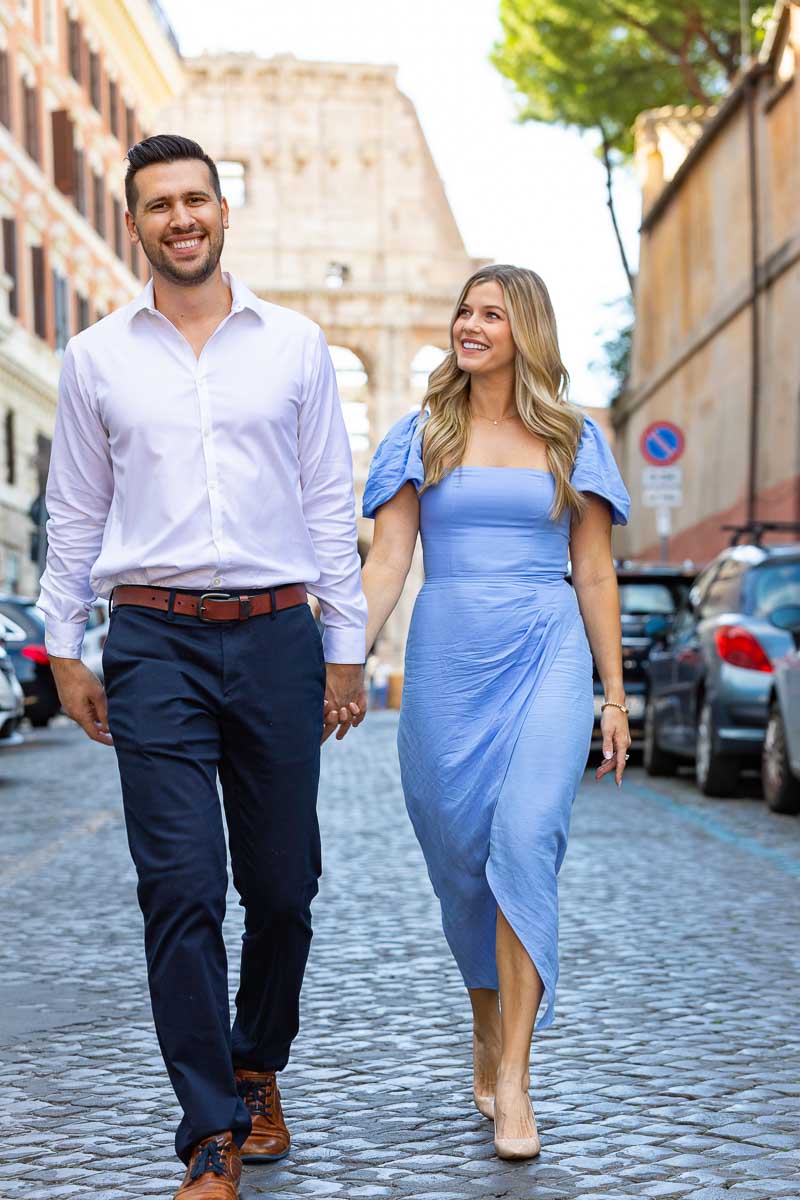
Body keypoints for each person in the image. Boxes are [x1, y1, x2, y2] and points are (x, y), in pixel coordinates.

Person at [38, 134, 366, 1198]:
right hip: (153, 643)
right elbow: (74, 513)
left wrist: (344, 650)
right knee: (178, 887)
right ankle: (208, 1132)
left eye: (196, 199)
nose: (180, 218)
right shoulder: (95, 357)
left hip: (277, 636)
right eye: (157, 205)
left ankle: (256, 1059)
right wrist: (61, 646)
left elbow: (328, 505)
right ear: (133, 223)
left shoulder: (296, 345)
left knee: (283, 888)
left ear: (224, 212)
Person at [360, 264, 631, 1160]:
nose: (469, 325)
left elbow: (593, 570)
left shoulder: (573, 437)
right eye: (464, 311)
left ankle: (514, 1076)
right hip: (448, 655)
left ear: (528, 331)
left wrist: (615, 693)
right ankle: (486, 1020)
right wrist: (339, 659)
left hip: (547, 647)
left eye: (491, 314)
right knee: (462, 861)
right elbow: (391, 559)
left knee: (524, 840)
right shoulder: (420, 434)